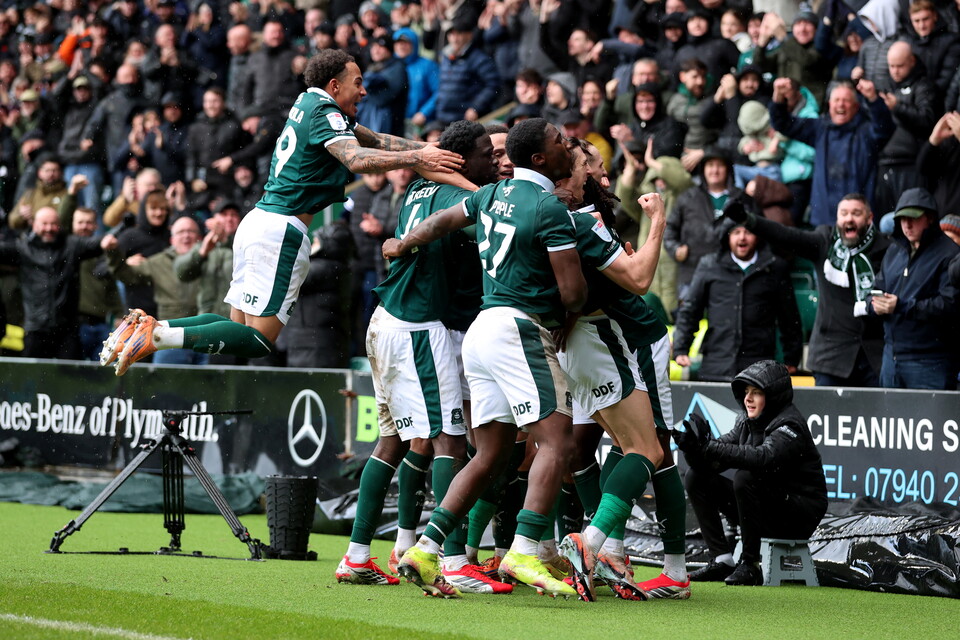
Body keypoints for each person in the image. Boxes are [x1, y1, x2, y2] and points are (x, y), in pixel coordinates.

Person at [98, 49, 462, 376]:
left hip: (258, 222)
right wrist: (417, 157)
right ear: (334, 86)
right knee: (258, 342)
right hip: (280, 231)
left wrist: (428, 149)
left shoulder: (310, 104)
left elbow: (378, 141)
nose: (363, 91)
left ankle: (153, 325)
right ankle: (158, 334)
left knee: (237, 326)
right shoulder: (325, 112)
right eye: (358, 83)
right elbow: (357, 158)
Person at [389, 118, 586, 599]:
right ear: (539, 159)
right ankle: (522, 548)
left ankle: (427, 545)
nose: (567, 146)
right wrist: (567, 313)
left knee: (494, 451)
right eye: (559, 142)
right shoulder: (548, 208)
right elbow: (575, 293)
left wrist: (404, 241)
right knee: (557, 441)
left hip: (481, 330)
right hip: (519, 329)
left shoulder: (489, 195)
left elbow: (441, 222)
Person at [336, 120, 505, 595]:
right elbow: (484, 211)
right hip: (416, 327)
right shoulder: (457, 197)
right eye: (483, 153)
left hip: (385, 320)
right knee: (449, 440)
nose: (492, 161)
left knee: (392, 443)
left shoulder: (417, 189)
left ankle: (357, 556)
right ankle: (451, 562)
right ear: (457, 159)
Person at [672, 360, 828, 585]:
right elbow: (713, 462)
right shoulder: (746, 422)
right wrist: (693, 449)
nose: (748, 399)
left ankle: (749, 564)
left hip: (797, 517)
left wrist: (708, 446)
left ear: (773, 396)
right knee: (697, 476)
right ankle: (722, 559)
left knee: (746, 477)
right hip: (768, 509)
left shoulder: (790, 425)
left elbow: (763, 457)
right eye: (746, 392)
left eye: (756, 392)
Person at [725, 192, 890, 387]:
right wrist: (748, 220)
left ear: (869, 218)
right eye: (844, 213)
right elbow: (785, 235)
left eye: (856, 213)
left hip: (873, 360)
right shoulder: (824, 241)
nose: (849, 218)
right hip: (830, 358)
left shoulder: (887, 248)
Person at [672, 220, 802, 381]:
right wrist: (681, 348)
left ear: (758, 236)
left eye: (748, 232)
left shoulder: (775, 267)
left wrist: (792, 358)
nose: (742, 238)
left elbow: (789, 318)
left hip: (759, 368)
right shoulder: (709, 265)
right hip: (716, 365)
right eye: (736, 232)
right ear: (727, 237)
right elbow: (691, 309)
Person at [769, 77, 894, 227]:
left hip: (859, 220)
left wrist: (873, 99)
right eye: (836, 100)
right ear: (829, 104)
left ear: (856, 106)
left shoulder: (866, 132)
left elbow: (885, 128)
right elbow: (782, 123)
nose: (840, 105)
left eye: (846, 100)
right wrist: (778, 96)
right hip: (824, 219)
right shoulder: (820, 128)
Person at [869, 188, 960, 390]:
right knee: (889, 420)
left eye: (913, 218)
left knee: (932, 421)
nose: (907, 225)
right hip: (891, 358)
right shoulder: (894, 250)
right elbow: (876, 288)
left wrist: (901, 306)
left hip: (930, 361)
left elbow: (949, 306)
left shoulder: (950, 254)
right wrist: (873, 304)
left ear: (929, 219)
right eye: (902, 219)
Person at [0, 206, 110, 359]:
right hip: (35, 328)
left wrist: (107, 241)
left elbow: (96, 243)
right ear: (34, 225)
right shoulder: (23, 248)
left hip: (67, 330)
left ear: (59, 225)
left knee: (70, 379)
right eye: (44, 224)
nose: (49, 228)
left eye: (53, 224)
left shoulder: (71, 245)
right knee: (31, 378)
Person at [104, 215, 204, 366]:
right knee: (162, 386)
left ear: (200, 237)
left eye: (191, 231)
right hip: (170, 337)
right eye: (181, 232)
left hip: (205, 335)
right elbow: (126, 275)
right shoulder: (158, 262)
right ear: (172, 239)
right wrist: (113, 253)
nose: (186, 235)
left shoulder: (212, 258)